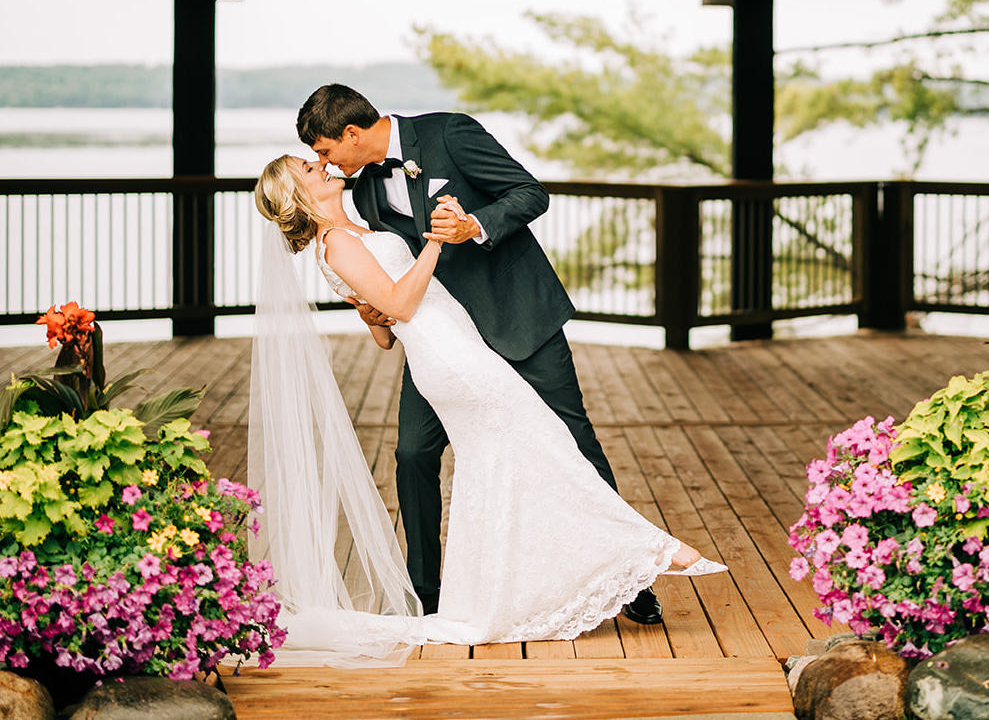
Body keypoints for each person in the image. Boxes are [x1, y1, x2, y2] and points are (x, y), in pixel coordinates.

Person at [250, 152, 726, 657]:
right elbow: (405, 305)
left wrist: (377, 310)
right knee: (545, 447)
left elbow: (384, 332)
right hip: (452, 363)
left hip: (458, 352)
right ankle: (649, 549)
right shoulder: (338, 244)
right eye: (307, 168)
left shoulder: (352, 235)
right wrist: (434, 239)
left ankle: (498, 591)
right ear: (300, 194)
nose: (319, 165)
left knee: (501, 467)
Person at [295, 84, 665, 624]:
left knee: (572, 437)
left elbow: (529, 192)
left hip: (518, 319)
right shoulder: (363, 193)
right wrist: (380, 314)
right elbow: (391, 267)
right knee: (413, 456)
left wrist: (475, 225)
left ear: (352, 134)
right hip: (446, 343)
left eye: (325, 150)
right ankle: (425, 593)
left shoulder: (449, 132)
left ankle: (630, 580)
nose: (322, 162)